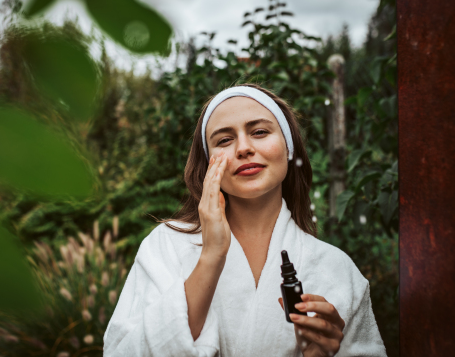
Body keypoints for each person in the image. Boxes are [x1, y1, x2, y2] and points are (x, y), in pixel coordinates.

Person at [103, 84, 387, 356]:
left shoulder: (336, 270)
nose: (243, 148)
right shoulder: (165, 247)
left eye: (260, 132)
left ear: (288, 147)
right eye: (224, 140)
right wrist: (211, 255)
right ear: (207, 162)